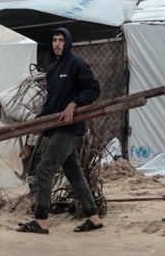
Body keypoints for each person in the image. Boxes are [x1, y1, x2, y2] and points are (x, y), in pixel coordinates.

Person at [17, 28, 103, 234]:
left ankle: (41, 220)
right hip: (54, 127)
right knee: (74, 173)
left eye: (61, 40)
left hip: (68, 128)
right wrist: (39, 123)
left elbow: (94, 89)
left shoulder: (77, 64)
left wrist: (74, 104)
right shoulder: (53, 69)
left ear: (68, 43)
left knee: (44, 169)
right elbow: (52, 101)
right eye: (54, 40)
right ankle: (94, 217)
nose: (57, 44)